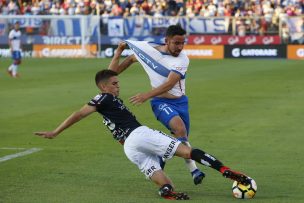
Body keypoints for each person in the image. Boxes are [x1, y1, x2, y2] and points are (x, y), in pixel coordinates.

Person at [34, 69, 251, 200]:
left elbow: (107, 73)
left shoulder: (105, 99)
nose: (119, 87)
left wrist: (117, 56)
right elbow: (79, 114)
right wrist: (56, 131)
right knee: (187, 151)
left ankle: (166, 191)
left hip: (129, 148)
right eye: (115, 84)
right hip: (139, 134)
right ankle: (226, 171)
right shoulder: (103, 99)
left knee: (166, 182)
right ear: (104, 87)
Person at [108, 24, 205, 185]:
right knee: (179, 128)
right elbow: (113, 72)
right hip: (160, 102)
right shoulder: (149, 50)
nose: (180, 47)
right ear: (166, 40)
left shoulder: (182, 59)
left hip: (180, 102)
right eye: (176, 43)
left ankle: (161, 155)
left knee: (181, 137)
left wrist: (146, 95)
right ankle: (194, 171)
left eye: (183, 43)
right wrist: (118, 52)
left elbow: (170, 84)